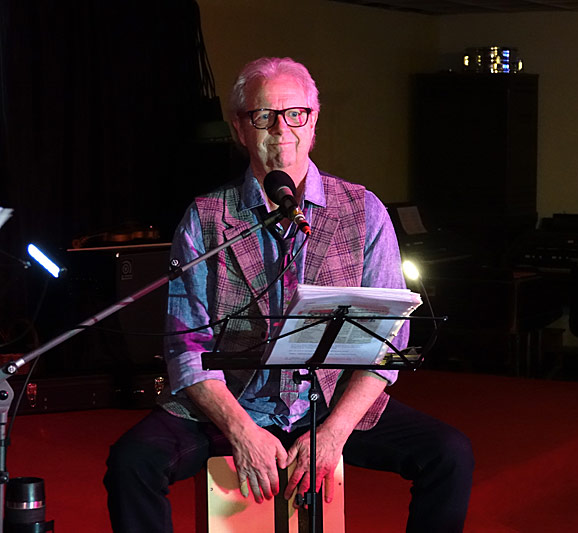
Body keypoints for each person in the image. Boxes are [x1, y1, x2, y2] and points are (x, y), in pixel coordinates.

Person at [104, 56, 474, 532]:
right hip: (234, 404)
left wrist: (334, 432)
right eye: (264, 115)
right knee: (133, 462)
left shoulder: (363, 209)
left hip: (329, 403)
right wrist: (241, 431)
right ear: (240, 129)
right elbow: (186, 347)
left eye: (295, 113)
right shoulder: (206, 217)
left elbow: (387, 343)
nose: (282, 129)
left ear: (313, 122)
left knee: (449, 454)